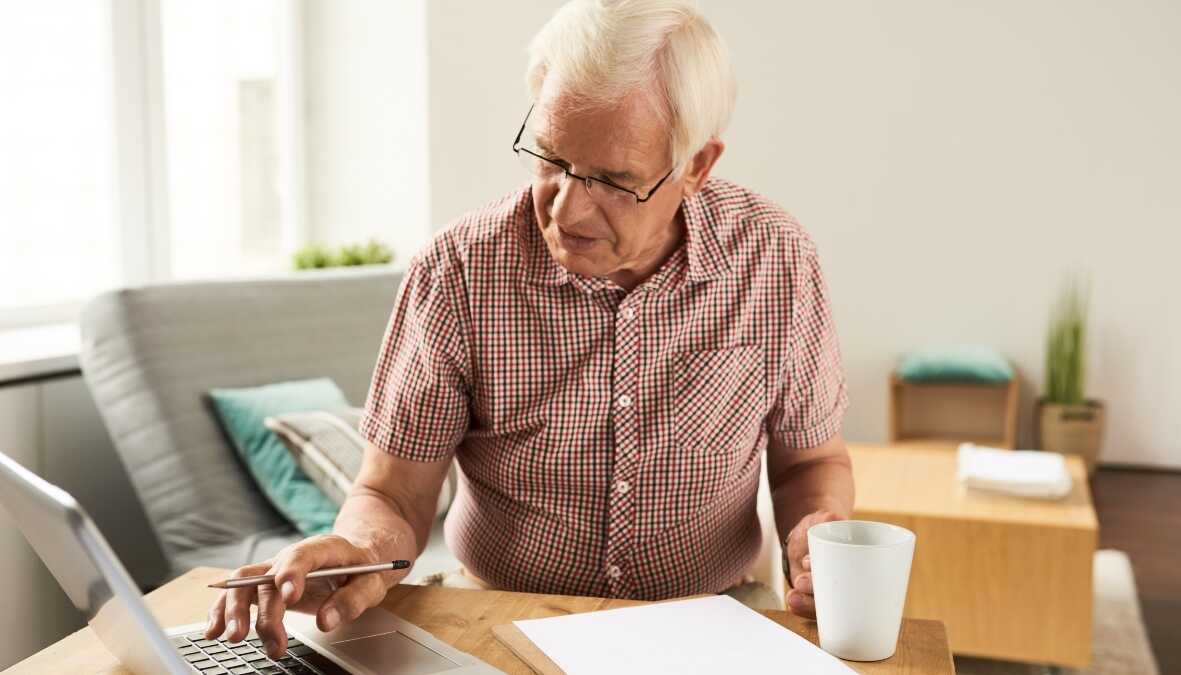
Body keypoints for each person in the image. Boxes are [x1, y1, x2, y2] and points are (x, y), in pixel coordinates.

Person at [207, 0, 853, 660]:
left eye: (613, 179)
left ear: (696, 166)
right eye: (550, 158)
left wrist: (816, 535)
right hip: (496, 619)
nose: (567, 207)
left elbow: (811, 462)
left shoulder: (776, 260)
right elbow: (393, 493)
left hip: (712, 620)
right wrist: (362, 549)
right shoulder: (459, 270)